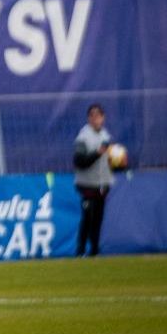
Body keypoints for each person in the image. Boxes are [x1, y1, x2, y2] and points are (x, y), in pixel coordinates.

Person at [73, 103, 114, 257]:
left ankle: (95, 251)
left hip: (102, 184)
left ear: (103, 118)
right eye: (92, 115)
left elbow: (109, 161)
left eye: (98, 115)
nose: (95, 118)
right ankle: (80, 250)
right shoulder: (83, 137)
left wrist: (119, 162)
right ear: (88, 118)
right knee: (88, 218)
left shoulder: (106, 135)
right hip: (86, 185)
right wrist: (98, 153)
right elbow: (79, 161)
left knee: (98, 218)